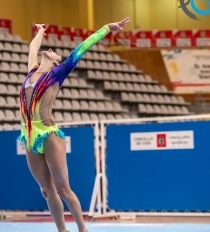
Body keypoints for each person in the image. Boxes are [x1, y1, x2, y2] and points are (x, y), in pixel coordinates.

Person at [18, 18, 130, 232]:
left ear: (57, 61)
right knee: (46, 191)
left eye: (54, 52)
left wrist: (106, 29)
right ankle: (62, 230)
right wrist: (40, 31)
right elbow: (33, 46)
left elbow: (82, 47)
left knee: (63, 190)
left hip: (49, 134)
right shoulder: (31, 72)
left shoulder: (58, 73)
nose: (49, 49)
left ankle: (82, 229)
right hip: (30, 137)